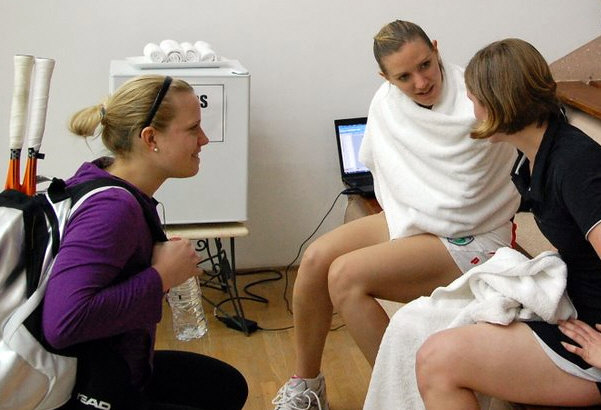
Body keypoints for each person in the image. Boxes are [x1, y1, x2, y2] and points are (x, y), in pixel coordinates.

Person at [272, 20, 520, 410]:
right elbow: (390, 172)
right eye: (403, 76)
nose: (420, 82)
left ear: (436, 48)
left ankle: (405, 396)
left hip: (475, 231)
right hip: (418, 217)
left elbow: (472, 190)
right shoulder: (386, 102)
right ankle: (307, 386)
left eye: (425, 65)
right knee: (316, 258)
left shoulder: (475, 96)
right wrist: (420, 208)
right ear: (385, 77)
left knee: (345, 276)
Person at [42, 75, 248, 410]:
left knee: (225, 386)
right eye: (193, 128)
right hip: (86, 392)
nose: (204, 139)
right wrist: (161, 276)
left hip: (118, 369)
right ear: (150, 137)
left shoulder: (103, 179)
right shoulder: (112, 210)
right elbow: (64, 323)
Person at [415, 38, 601, 408]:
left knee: (436, 362)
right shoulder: (535, 156)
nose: (472, 110)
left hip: (588, 338)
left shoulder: (574, 164)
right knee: (421, 325)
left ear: (497, 103)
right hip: (575, 307)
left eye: (473, 99)